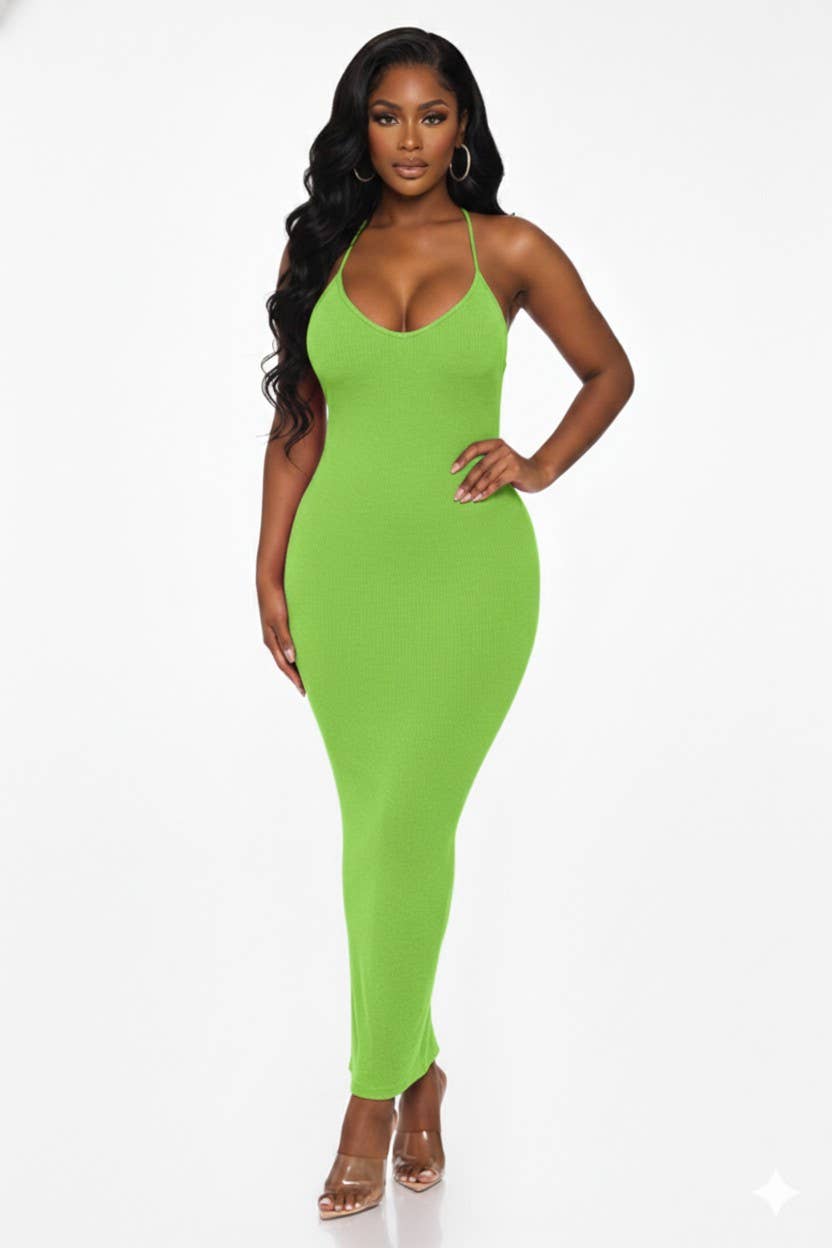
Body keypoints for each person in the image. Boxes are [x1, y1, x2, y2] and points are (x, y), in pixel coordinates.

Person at [256, 28, 634, 1221]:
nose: (409, 139)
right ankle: (420, 1074)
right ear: (358, 127)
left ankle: (370, 1101)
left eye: (431, 114)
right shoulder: (319, 247)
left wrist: (538, 464)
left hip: (470, 584)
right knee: (377, 834)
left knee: (403, 827)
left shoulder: (508, 248)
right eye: (387, 116)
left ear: (462, 123)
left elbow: (609, 372)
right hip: (342, 578)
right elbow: (299, 419)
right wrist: (268, 568)